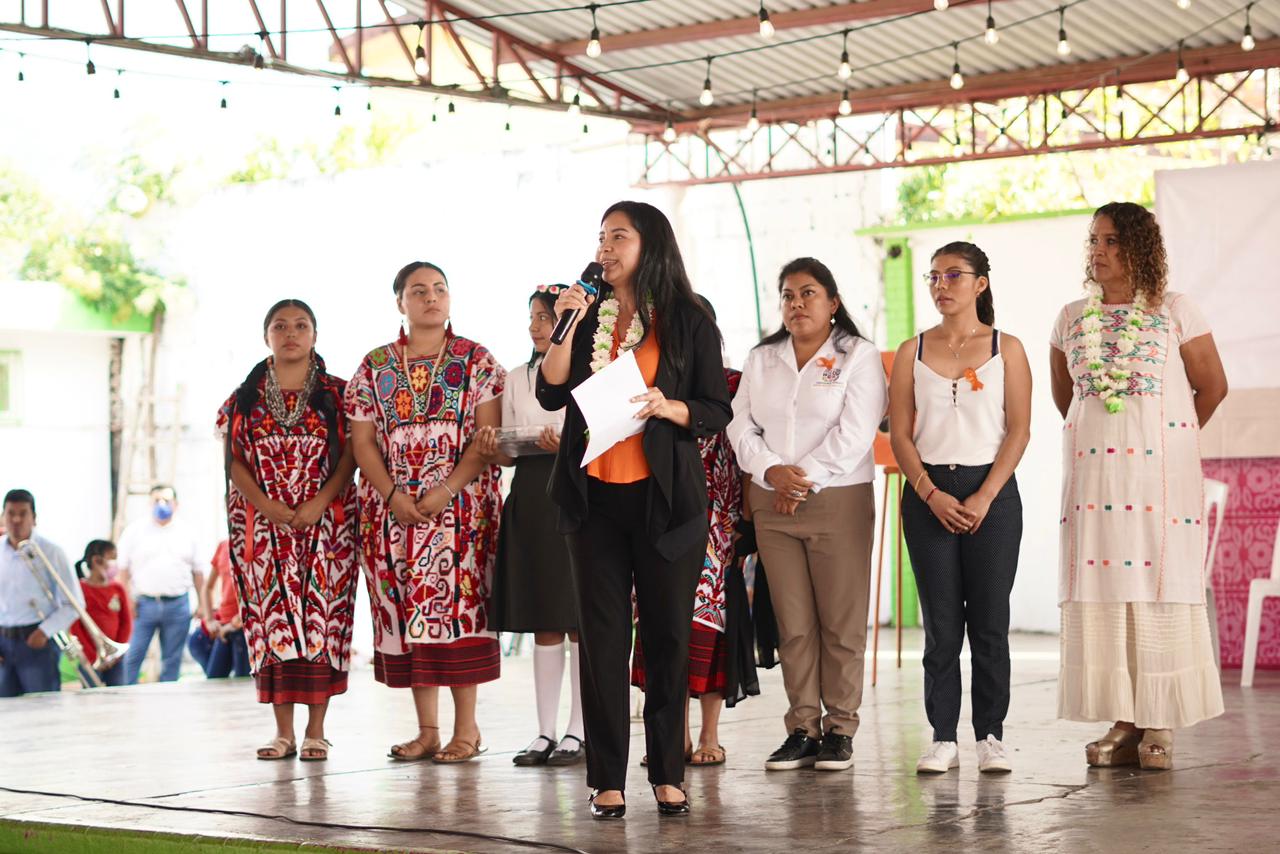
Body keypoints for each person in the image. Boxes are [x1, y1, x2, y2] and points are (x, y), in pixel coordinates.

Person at [538, 200, 732, 819]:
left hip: (664, 499)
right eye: (601, 236)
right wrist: (565, 325)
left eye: (619, 236)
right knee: (601, 641)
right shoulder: (585, 310)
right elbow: (550, 390)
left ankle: (669, 774)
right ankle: (606, 781)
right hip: (593, 499)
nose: (606, 246)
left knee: (669, 635)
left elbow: (713, 407)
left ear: (651, 245)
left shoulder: (688, 317)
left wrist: (670, 406)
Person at [1050, 202, 1228, 770]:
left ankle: (1160, 719)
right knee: (1108, 597)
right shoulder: (1072, 316)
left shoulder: (1177, 310)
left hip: (1160, 483)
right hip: (1094, 482)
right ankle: (1123, 720)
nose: (1095, 251)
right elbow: (1067, 398)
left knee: (1158, 588)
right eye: (1092, 240)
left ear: (1138, 248)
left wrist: (1164, 438)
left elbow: (1212, 387)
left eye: (1109, 241)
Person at [727, 257, 886, 774]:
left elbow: (857, 431)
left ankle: (840, 728)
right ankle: (802, 728)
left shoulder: (857, 356)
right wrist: (772, 472)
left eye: (809, 293)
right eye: (789, 295)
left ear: (833, 302)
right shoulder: (762, 357)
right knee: (793, 624)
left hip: (837, 498)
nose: (797, 304)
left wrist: (803, 478)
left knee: (840, 622)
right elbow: (740, 426)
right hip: (772, 501)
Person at [347, 262, 505, 765]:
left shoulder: (476, 360)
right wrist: (392, 493)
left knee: (461, 613)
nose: (431, 298)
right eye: (419, 291)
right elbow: (362, 440)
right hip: (393, 512)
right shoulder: (375, 365)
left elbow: (487, 437)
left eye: (439, 289)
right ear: (401, 302)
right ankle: (428, 730)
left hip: (461, 509)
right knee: (413, 613)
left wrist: (446, 490)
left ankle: (467, 729)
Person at [887, 242, 1032, 775]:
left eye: (954, 275)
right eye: (934, 276)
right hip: (928, 494)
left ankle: (990, 734)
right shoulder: (911, 351)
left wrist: (984, 496)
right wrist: (929, 492)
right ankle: (943, 736)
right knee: (941, 625)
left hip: (990, 493)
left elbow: (1019, 430)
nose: (941, 285)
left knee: (990, 623)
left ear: (980, 283)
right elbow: (900, 434)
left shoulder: (1007, 348)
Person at [218, 299, 359, 761]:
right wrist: (269, 507)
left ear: (315, 335)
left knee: (321, 620)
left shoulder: (340, 395)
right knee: (272, 622)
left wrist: (320, 502)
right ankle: (282, 732)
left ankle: (317, 730)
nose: (291, 333)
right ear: (267, 337)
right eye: (280, 326)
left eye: (301, 325)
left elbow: (351, 457)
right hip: (264, 528)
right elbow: (234, 463)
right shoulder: (244, 398)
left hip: (327, 527)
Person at [630, 296, 759, 768]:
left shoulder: (731, 384)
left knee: (711, 622)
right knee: (662, 623)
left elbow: (745, 448)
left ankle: (709, 735)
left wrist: (744, 516)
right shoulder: (646, 381)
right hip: (659, 516)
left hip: (716, 520)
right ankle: (673, 738)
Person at [476, 286, 584, 768]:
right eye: (534, 318)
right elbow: (505, 451)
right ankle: (543, 731)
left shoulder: (588, 371)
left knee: (580, 618)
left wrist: (564, 444)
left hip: (578, 492)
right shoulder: (516, 378)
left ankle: (580, 732)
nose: (538, 325)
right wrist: (490, 443)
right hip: (531, 493)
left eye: (547, 317)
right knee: (544, 617)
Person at [118, 484, 205, 684]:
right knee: (133, 656)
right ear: (150, 503)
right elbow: (123, 570)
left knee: (171, 661)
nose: (162, 504)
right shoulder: (134, 531)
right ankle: (125, 697)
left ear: (177, 504)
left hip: (178, 605)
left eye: (167, 500)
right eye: (157, 500)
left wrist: (202, 604)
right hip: (143, 605)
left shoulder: (188, 532)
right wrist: (127, 601)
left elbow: (198, 573)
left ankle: (168, 703)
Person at [0, 489, 82, 697]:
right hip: (3, 643)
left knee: (43, 711)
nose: (16, 520)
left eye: (23, 513)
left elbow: (73, 602)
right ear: (3, 516)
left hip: (37, 642)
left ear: (34, 518)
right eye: (11, 513)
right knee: (6, 713)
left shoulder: (52, 552)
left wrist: (45, 631)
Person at [71, 539, 132, 687]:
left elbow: (126, 622)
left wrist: (116, 653)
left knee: (118, 695)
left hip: (116, 658)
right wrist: (93, 656)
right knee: (91, 698)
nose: (115, 564)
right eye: (112, 558)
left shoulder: (118, 588)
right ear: (96, 560)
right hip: (90, 657)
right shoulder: (79, 589)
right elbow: (76, 627)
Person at [186, 541, 250, 680]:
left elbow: (258, 594)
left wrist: (233, 624)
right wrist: (209, 619)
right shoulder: (223, 546)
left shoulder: (255, 544)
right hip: (223, 626)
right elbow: (207, 587)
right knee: (214, 680)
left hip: (244, 627)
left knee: (242, 682)